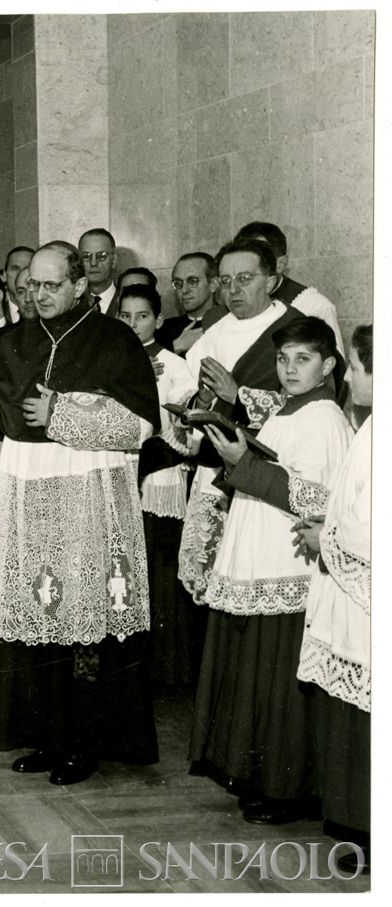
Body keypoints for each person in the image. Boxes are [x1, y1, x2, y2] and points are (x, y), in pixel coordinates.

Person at [0, 243, 160, 786]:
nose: (38, 295)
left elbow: (140, 426)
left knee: (83, 627)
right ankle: (47, 736)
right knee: (40, 621)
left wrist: (60, 413)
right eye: (31, 287)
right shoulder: (14, 341)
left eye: (50, 285)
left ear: (79, 285)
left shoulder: (114, 341)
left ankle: (84, 744)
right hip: (31, 503)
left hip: (89, 504)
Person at [190, 316, 352, 825]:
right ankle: (261, 777)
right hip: (259, 552)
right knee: (256, 672)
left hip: (290, 564)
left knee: (279, 678)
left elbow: (321, 499)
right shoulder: (289, 409)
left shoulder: (325, 418)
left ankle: (289, 788)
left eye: (302, 359)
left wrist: (245, 464)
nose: (288, 369)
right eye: (283, 359)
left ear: (328, 365)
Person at [177, 239, 306, 604]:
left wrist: (238, 395)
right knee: (210, 580)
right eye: (226, 280)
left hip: (263, 478)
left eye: (245, 279)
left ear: (271, 279)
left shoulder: (294, 330)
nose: (233, 290)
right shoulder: (215, 332)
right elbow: (188, 392)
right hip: (212, 471)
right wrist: (199, 401)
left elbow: (308, 407)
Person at [295, 324, 371, 872]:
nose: (352, 376)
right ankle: (353, 822)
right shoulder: (369, 427)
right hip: (350, 596)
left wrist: (330, 541)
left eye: (359, 368)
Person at [116, 285, 201, 690]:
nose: (133, 325)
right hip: (118, 474)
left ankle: (162, 670)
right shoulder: (107, 360)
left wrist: (183, 420)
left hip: (158, 476)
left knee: (157, 571)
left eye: (142, 316)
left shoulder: (172, 363)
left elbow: (186, 412)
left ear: (159, 320)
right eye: (126, 316)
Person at [156, 252, 225, 354]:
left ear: (213, 284)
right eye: (178, 283)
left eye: (193, 281)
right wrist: (176, 346)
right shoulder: (162, 330)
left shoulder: (230, 323)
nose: (184, 290)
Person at [77, 228, 118, 316]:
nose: (93, 263)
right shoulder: (71, 304)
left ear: (114, 261)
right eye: (86, 256)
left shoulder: (125, 302)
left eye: (101, 256)